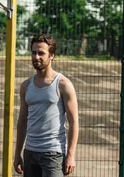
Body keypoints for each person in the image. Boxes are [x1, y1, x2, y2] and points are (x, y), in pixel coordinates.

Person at [13, 34, 79, 176]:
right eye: (33, 52)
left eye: (41, 53)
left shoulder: (63, 84)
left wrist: (71, 155)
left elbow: (74, 122)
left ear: (51, 55)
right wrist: (17, 153)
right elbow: (22, 121)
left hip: (53, 154)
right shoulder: (26, 86)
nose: (36, 57)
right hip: (30, 152)